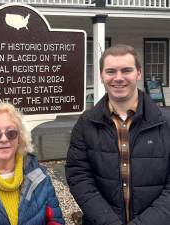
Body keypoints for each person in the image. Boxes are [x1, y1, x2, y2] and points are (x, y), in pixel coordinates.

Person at [65, 44, 170, 225]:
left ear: (138, 73)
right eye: (111, 71)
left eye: (126, 70)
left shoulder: (166, 123)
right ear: (101, 76)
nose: (118, 78)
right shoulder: (86, 124)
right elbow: (79, 176)